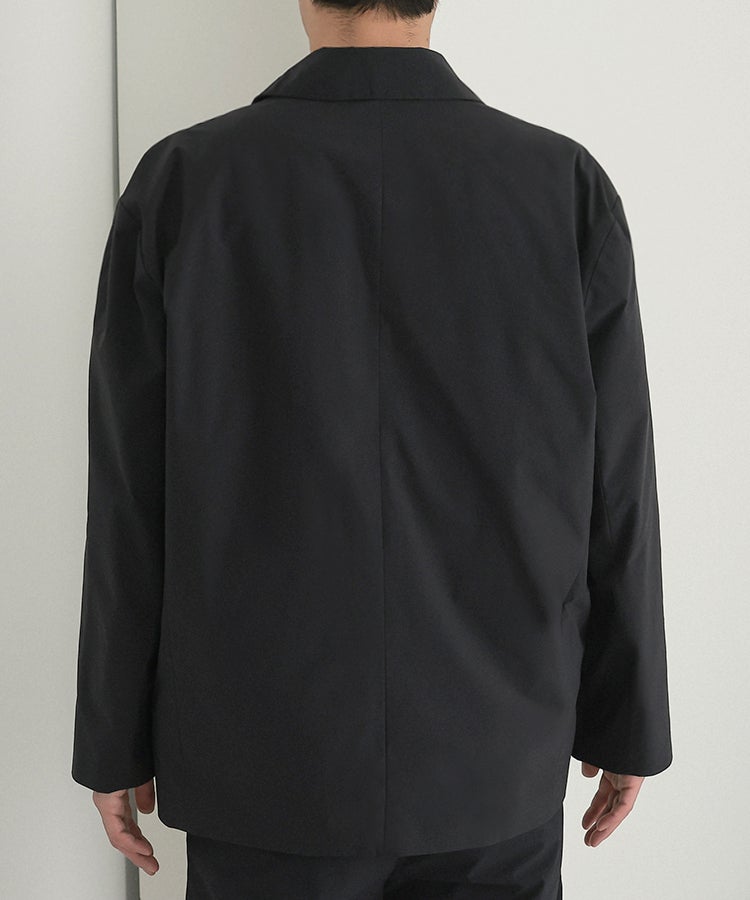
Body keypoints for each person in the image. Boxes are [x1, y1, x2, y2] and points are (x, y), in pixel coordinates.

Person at [71, 0, 673, 896]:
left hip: (263, 759)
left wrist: (112, 737)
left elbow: (130, 491)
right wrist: (629, 722)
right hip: (495, 751)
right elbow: (616, 482)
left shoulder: (186, 180)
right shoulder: (562, 185)